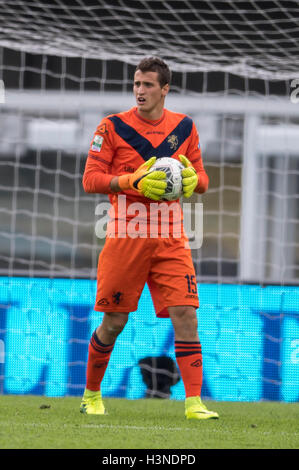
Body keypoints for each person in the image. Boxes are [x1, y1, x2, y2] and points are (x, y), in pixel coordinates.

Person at [80, 56, 219, 420]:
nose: (139, 90)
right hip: (126, 234)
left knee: (186, 315)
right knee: (114, 322)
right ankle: (91, 395)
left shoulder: (185, 127)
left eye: (147, 85)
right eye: (136, 84)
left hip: (171, 237)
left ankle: (193, 403)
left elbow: (202, 179)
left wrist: (191, 181)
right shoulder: (111, 127)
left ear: (164, 89)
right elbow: (90, 179)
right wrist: (131, 181)